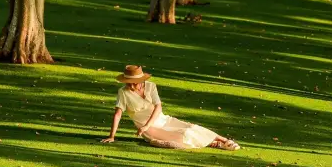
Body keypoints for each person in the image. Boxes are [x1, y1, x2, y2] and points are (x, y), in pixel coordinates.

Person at [100, 64, 240, 150]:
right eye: (128, 82)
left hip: (161, 120)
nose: (131, 85)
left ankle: (223, 140)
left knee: (191, 127)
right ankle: (211, 143)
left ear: (141, 80)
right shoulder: (123, 92)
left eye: (134, 82)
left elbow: (158, 107)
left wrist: (147, 126)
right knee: (181, 137)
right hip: (148, 128)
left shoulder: (151, 86)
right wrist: (112, 136)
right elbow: (117, 114)